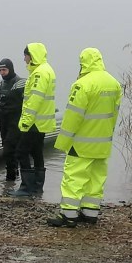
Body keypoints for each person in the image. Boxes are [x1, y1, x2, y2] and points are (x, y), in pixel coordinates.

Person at [47, 47, 122, 227]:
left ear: (83, 63)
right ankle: (90, 213)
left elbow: (73, 116)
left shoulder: (82, 84)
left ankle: (69, 215)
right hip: (103, 142)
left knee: (74, 177)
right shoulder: (114, 83)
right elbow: (114, 114)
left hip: (81, 143)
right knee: (96, 178)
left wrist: (63, 141)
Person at [8, 43, 57, 197]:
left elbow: (35, 99)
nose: (24, 59)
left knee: (21, 152)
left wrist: (25, 121)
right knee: (37, 153)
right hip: (43, 122)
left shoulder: (39, 73)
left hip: (34, 122)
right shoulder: (47, 70)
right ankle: (37, 187)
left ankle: (26, 188)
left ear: (32, 55)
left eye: (26, 55)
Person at [0, 58, 26, 181]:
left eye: (4, 70)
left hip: (16, 120)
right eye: (0, 70)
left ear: (10, 69)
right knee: (6, 146)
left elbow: (29, 103)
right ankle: (14, 172)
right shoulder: (0, 85)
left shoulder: (20, 83)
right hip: (3, 120)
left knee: (8, 149)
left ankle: (10, 178)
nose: (2, 72)